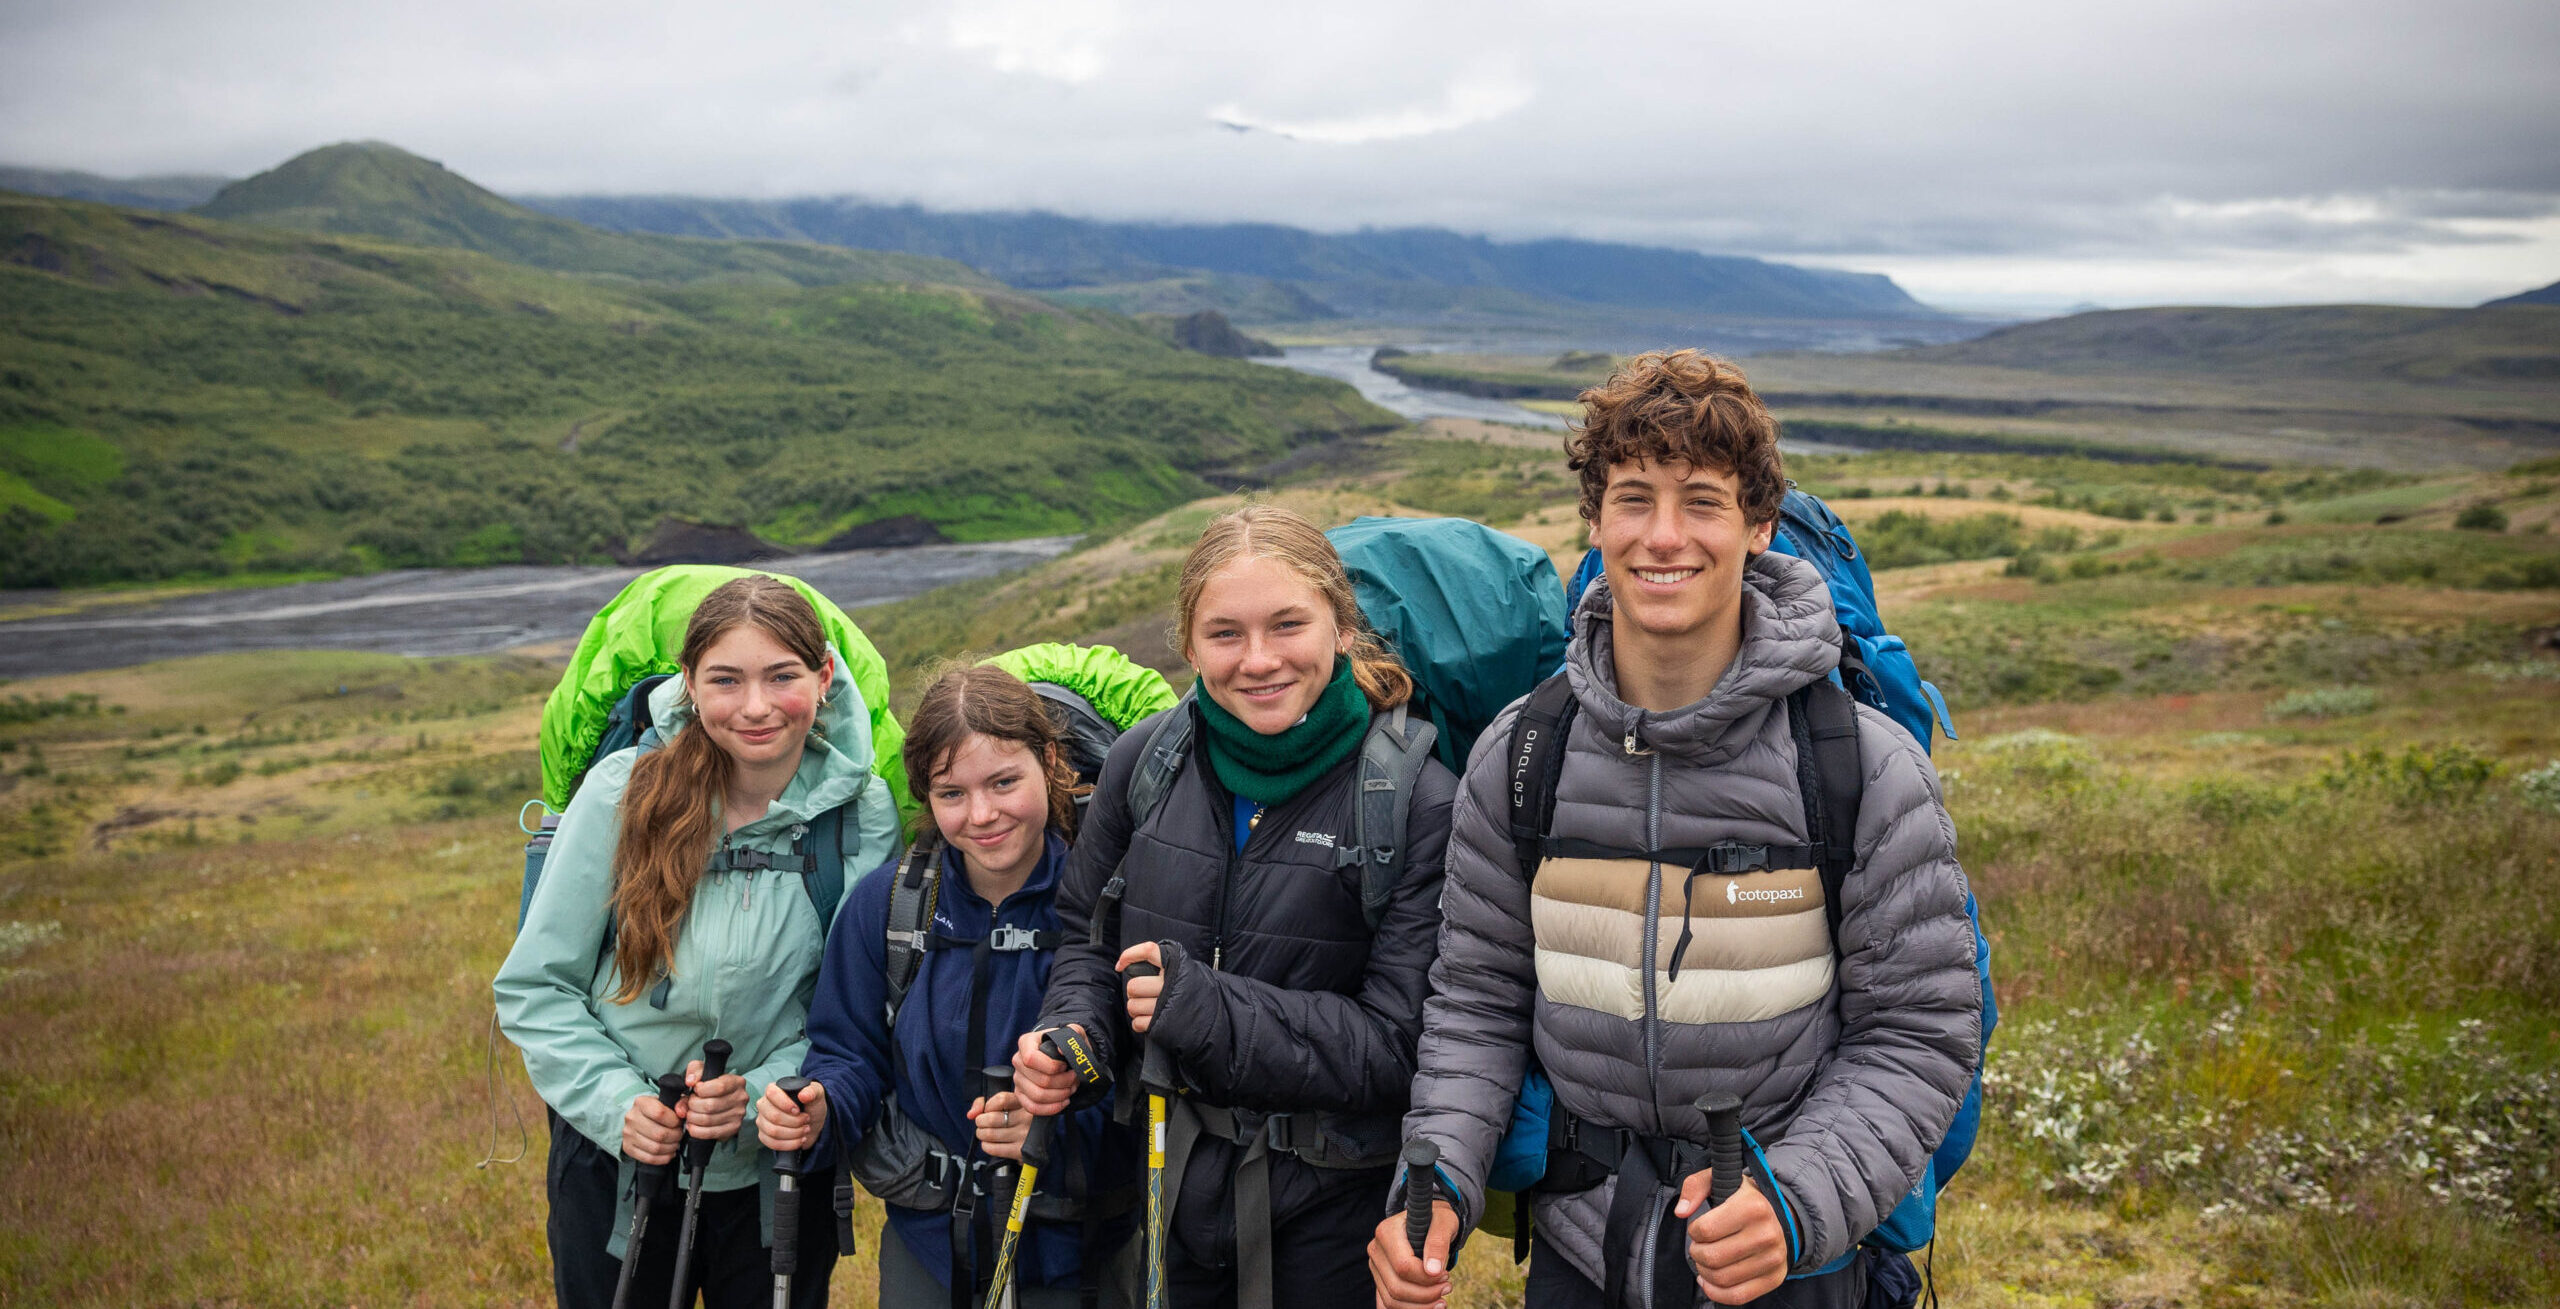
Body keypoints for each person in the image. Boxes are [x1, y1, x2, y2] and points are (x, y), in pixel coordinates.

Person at [1370, 351, 1983, 1309]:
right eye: (1633, 498)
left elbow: (1917, 1030)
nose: (1664, 536)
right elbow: (1479, 1001)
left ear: (1759, 526)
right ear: (1596, 519)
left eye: (1702, 500)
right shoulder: (1522, 754)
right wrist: (1437, 1178)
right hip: (1582, 1250)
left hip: (1787, 1266)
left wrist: (1795, 1203)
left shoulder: (1860, 767)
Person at [1012, 504, 1460, 1309]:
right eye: (1225, 634)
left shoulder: (1414, 800)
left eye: (1288, 624)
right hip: (1162, 1191)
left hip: (1333, 1216)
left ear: (1342, 628)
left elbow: (1399, 1045)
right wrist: (1075, 1029)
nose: (1258, 660)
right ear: (1188, 643)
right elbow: (1084, 936)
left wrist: (1207, 1007)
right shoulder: (1143, 761)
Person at [496, 574, 903, 1309]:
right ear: (689, 683)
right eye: (726, 679)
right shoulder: (623, 792)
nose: (755, 706)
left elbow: (852, 1006)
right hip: (617, 1166)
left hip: (775, 1172)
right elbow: (537, 985)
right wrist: (620, 1104)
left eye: (782, 676)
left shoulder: (860, 813)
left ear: (824, 676)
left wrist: (761, 1094)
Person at [757, 663, 1137, 1309]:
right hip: (930, 1244)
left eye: (1004, 781)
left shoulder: (1112, 905)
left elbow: (1146, 1080)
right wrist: (822, 1105)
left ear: (1049, 760)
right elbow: (848, 1053)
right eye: (951, 792)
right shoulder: (888, 907)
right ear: (925, 795)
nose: (982, 813)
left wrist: (1055, 1135)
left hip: (1086, 1249)